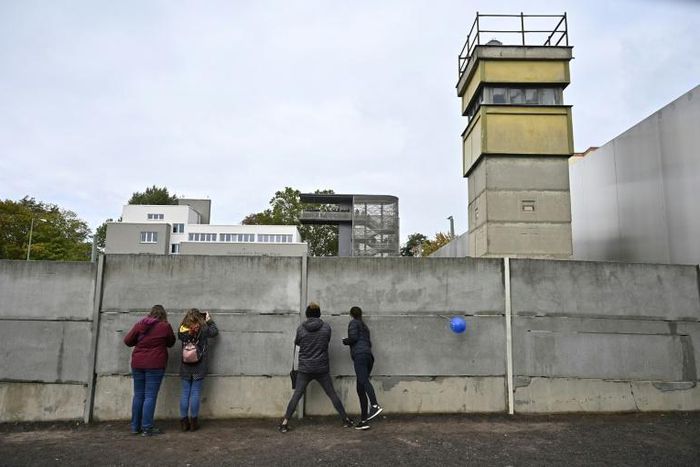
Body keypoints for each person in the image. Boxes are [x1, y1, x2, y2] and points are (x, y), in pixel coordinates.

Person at [278, 302, 353, 433]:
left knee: (297, 395)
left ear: (307, 314)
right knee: (332, 394)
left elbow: (297, 344)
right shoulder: (326, 328)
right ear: (319, 314)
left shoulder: (301, 329)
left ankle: (284, 423)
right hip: (321, 368)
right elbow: (326, 341)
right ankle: (345, 419)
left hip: (305, 369)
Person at [123, 304, 176, 436]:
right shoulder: (165, 326)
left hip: (138, 363)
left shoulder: (140, 324)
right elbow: (171, 342)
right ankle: (147, 428)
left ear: (150, 313)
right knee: (150, 396)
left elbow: (128, 341)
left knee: (138, 395)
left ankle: (135, 427)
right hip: (155, 365)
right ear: (163, 314)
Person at [178, 308, 219, 432]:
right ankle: (194, 423)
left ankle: (184, 423)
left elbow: (180, 336)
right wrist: (209, 320)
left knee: (185, 393)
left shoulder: (182, 330)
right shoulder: (204, 329)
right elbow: (215, 332)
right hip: (199, 365)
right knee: (195, 392)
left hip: (185, 365)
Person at [342, 306, 383, 430]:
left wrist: (346, 341)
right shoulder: (364, 327)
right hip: (368, 357)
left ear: (351, 314)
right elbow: (367, 342)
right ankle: (364, 420)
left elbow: (353, 338)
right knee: (360, 389)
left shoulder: (353, 323)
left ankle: (375, 405)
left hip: (360, 356)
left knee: (364, 381)